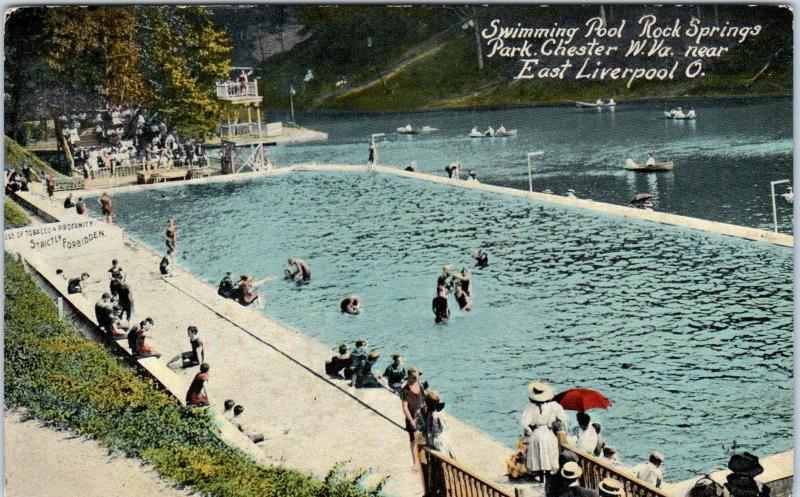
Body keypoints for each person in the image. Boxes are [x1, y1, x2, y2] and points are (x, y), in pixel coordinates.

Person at [520, 381, 568, 483]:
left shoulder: (530, 408)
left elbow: (525, 424)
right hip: (548, 433)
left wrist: (529, 430)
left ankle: (542, 479)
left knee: (539, 457)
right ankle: (549, 479)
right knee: (549, 456)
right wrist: (552, 424)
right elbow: (563, 418)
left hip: (537, 433)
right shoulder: (553, 406)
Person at [401, 367, 426, 472]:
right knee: (413, 440)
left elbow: (424, 401)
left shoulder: (420, 386)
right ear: (410, 376)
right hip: (412, 418)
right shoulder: (406, 389)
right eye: (414, 376)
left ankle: (421, 459)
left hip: (421, 417)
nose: (416, 378)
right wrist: (411, 420)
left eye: (417, 376)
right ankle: (415, 462)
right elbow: (405, 407)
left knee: (420, 439)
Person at [424, 390, 455, 458]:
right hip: (439, 438)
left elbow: (429, 428)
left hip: (432, 438)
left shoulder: (429, 413)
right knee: (448, 454)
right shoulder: (437, 414)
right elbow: (444, 427)